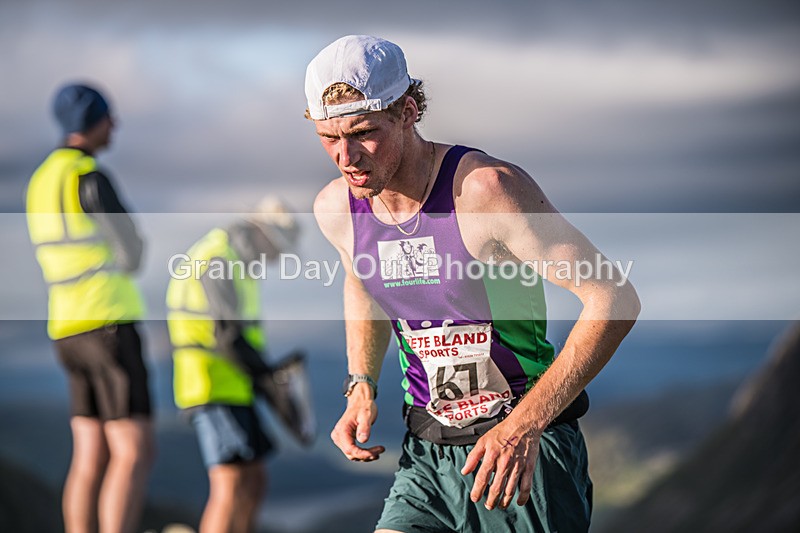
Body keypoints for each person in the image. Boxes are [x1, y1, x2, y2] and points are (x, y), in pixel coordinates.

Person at [307, 35, 641, 533]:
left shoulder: (487, 191)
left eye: (363, 132)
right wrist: (361, 385)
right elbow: (361, 282)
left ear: (408, 111)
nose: (346, 156)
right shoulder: (337, 208)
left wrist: (523, 427)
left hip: (522, 449)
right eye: (328, 137)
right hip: (427, 452)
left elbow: (614, 298)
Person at [25, 83, 154, 533]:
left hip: (65, 327)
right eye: (108, 116)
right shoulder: (89, 175)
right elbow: (131, 251)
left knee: (88, 453)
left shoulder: (41, 180)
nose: (115, 124)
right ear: (93, 122)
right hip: (108, 321)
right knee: (133, 449)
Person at [166, 198, 312, 533]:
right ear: (263, 233)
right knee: (230, 483)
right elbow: (227, 335)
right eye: (277, 249)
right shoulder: (217, 258)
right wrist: (267, 377)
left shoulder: (236, 261)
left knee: (254, 479)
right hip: (210, 384)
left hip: (234, 384)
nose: (276, 258)